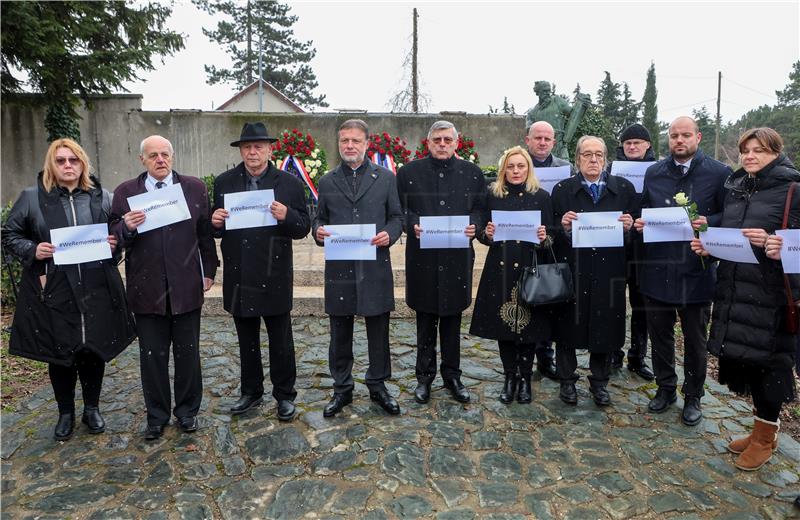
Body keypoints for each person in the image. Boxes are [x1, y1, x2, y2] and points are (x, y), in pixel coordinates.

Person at [2, 138, 136, 440]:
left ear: (82, 163)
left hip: (96, 285)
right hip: (53, 287)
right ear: (52, 164)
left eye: (73, 160)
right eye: (61, 160)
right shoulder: (32, 198)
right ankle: (66, 412)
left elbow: (117, 236)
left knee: (92, 349)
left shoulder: (103, 197)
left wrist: (115, 243)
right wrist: (33, 249)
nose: (67, 166)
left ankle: (91, 409)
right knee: (59, 351)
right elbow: (9, 234)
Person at [692, 127, 799, 470]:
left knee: (770, 366)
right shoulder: (737, 188)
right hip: (736, 290)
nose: (750, 156)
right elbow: (732, 234)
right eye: (745, 151)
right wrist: (708, 244)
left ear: (776, 152)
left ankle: (766, 439)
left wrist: (775, 243)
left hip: (772, 297)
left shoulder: (794, 190)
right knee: (749, 364)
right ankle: (759, 431)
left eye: (759, 151)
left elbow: (793, 243)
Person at [110, 135, 218, 440]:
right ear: (141, 159)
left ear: (172, 156)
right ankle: (156, 416)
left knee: (188, 353)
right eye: (153, 155)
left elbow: (205, 234)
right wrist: (125, 227)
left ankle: (187, 412)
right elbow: (112, 240)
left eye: (165, 154)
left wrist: (209, 270)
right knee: (152, 356)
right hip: (146, 289)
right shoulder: (125, 193)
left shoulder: (194, 188)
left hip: (185, 286)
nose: (160, 160)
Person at [634, 116, 731, 426]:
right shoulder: (654, 172)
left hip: (696, 271)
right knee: (660, 335)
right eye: (674, 135)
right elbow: (644, 211)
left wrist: (708, 222)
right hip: (657, 267)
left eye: (685, 135)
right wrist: (639, 223)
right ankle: (665, 388)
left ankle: (693, 395)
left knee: (694, 339)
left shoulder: (719, 174)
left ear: (698, 137)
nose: (679, 140)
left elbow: (729, 217)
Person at [211, 122, 310, 422]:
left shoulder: (290, 183)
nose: (252, 152)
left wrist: (287, 215)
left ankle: (285, 394)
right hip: (240, 274)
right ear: (240, 150)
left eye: (258, 146)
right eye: (247, 147)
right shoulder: (224, 182)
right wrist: (214, 221)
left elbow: (304, 227)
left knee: (281, 339)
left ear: (270, 149)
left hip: (275, 273)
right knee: (246, 339)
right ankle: (251, 391)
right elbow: (216, 229)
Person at [313, 119, 403, 417]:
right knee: (340, 332)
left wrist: (390, 234)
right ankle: (342, 388)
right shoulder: (326, 181)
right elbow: (318, 219)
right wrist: (318, 231)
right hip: (340, 268)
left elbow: (397, 217)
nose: (349, 146)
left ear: (367, 144)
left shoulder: (387, 178)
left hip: (374, 265)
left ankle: (378, 385)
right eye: (344, 141)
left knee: (378, 330)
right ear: (338, 144)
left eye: (355, 141)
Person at [397, 120, 488, 404]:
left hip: (456, 259)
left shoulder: (473, 174)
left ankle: (453, 376)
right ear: (428, 142)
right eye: (437, 139)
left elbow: (480, 209)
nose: (442, 144)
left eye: (448, 140)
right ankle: (424, 379)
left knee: (452, 321)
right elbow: (401, 210)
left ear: (456, 143)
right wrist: (412, 225)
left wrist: (474, 224)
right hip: (422, 259)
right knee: (424, 321)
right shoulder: (408, 173)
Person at [550, 136, 636, 406]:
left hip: (609, 269)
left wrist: (629, 227)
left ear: (606, 158)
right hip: (574, 268)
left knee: (605, 325)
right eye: (587, 154)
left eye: (599, 154)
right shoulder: (562, 190)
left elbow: (635, 235)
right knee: (567, 325)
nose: (593, 160)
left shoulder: (624, 188)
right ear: (577, 159)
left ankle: (600, 382)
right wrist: (562, 226)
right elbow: (549, 233)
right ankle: (567, 380)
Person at [469, 146, 552, 404]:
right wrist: (487, 235)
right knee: (504, 327)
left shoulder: (542, 197)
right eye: (511, 167)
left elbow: (552, 237)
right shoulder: (492, 195)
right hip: (501, 268)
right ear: (503, 169)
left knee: (529, 326)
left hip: (530, 268)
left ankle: (525, 377)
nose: (516, 171)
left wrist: (543, 238)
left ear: (529, 169)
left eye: (521, 166)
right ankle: (509, 376)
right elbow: (481, 231)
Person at [523, 120, 572, 379]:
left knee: (550, 299)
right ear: (528, 139)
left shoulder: (565, 168)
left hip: (556, 241)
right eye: (537, 138)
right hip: (525, 241)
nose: (542, 142)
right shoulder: (518, 163)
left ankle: (546, 357)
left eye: (547, 139)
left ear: (554, 142)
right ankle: (524, 358)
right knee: (526, 298)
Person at [611, 123, 656, 381]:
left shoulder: (659, 171)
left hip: (646, 248)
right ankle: (613, 352)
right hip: (616, 246)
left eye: (637, 142)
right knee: (614, 303)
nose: (632, 146)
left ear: (647, 145)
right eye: (628, 143)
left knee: (642, 306)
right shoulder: (611, 171)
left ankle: (638, 356)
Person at [525, 82, 581, 160]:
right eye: (545, 91)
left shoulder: (557, 101)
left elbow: (573, 115)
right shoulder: (533, 113)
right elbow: (530, 132)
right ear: (538, 93)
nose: (548, 93)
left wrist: (581, 105)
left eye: (549, 91)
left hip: (560, 148)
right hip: (542, 153)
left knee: (564, 169)